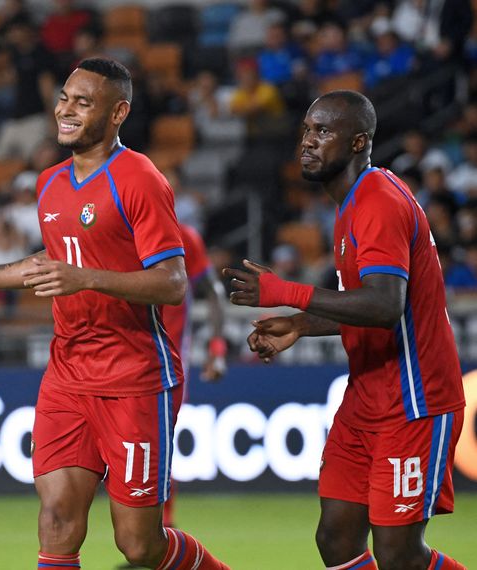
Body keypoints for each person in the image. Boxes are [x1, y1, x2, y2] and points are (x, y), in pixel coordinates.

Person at [0, 57, 229, 570]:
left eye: (84, 101)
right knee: (56, 518)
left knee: (140, 545)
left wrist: (89, 278)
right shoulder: (50, 183)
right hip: (68, 373)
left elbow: (172, 284)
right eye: (64, 97)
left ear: (118, 112)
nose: (67, 109)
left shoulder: (139, 178)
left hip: (135, 377)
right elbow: (49, 262)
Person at [224, 90, 466, 570]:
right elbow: (363, 305)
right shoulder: (352, 203)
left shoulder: (377, 201)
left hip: (414, 400)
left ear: (359, 142)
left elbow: (383, 305)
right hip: (367, 396)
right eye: (307, 131)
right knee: (336, 537)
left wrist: (285, 292)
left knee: (399, 554)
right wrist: (299, 325)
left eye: (323, 132)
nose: (307, 142)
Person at [159, 223, 228, 531]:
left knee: (158, 441)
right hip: (118, 353)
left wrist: (217, 346)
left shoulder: (183, 235)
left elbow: (212, 288)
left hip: (167, 360)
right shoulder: (117, 228)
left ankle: (162, 531)